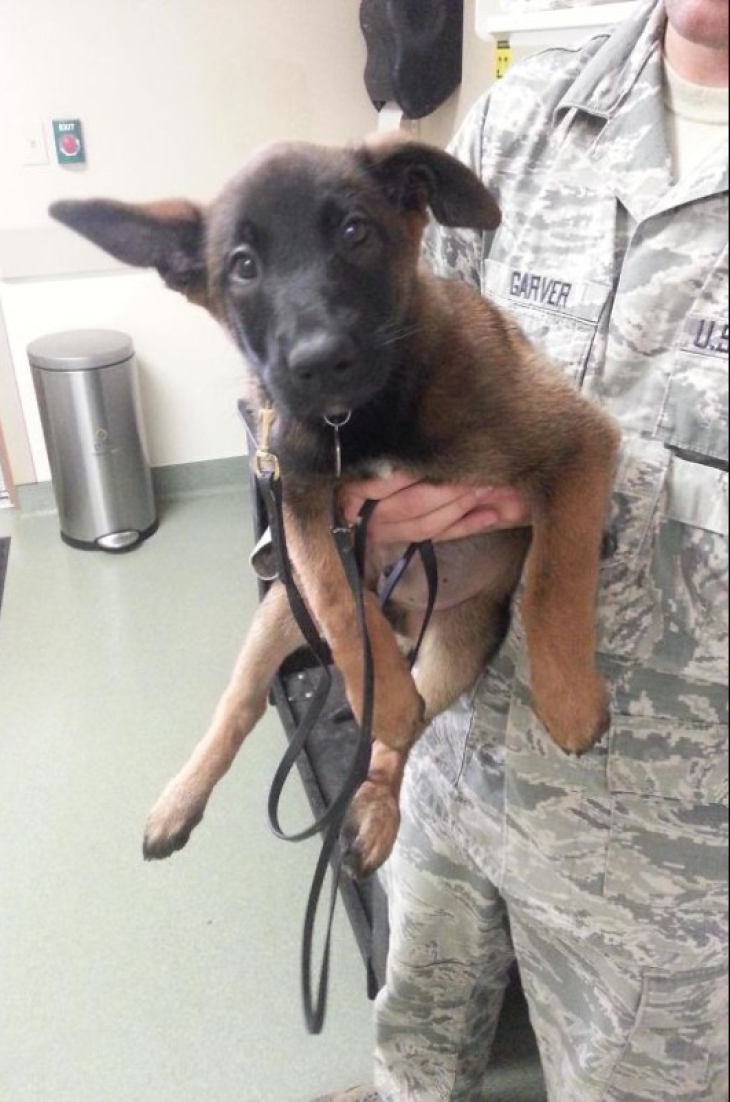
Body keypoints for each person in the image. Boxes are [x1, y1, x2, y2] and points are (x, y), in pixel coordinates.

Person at [315, 0, 729, 1098]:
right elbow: (383, 346)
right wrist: (333, 485)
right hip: (453, 766)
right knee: (415, 1053)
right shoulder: (523, 119)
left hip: (672, 851)